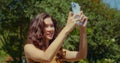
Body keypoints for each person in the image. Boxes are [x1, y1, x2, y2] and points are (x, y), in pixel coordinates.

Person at [24, 11, 88, 63]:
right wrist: (67, 28)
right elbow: (46, 57)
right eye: (45, 26)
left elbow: (82, 55)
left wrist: (83, 29)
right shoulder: (29, 48)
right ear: (38, 28)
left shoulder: (58, 52)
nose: (50, 29)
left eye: (52, 26)